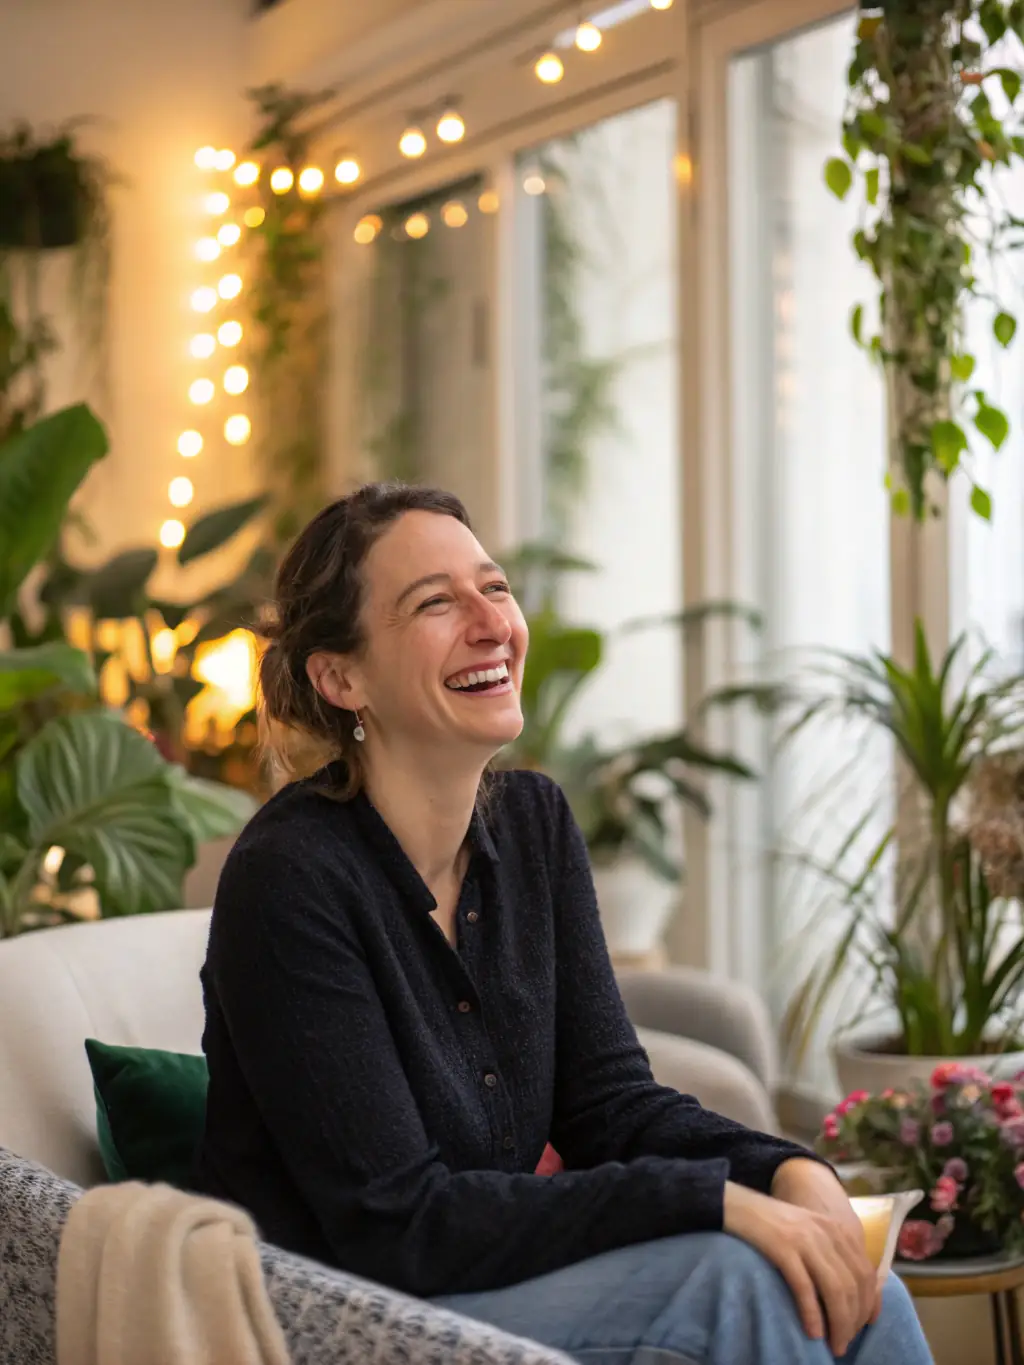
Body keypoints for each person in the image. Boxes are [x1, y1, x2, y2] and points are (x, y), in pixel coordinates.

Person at [194, 483, 933, 1365]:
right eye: (435, 601)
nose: (489, 621)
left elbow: (607, 1102)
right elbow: (398, 1224)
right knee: (739, 1286)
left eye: (494, 587)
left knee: (859, 1279)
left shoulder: (534, 822)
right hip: (345, 1314)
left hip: (488, 1278)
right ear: (341, 676)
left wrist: (786, 1168)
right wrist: (715, 1200)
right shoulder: (290, 878)